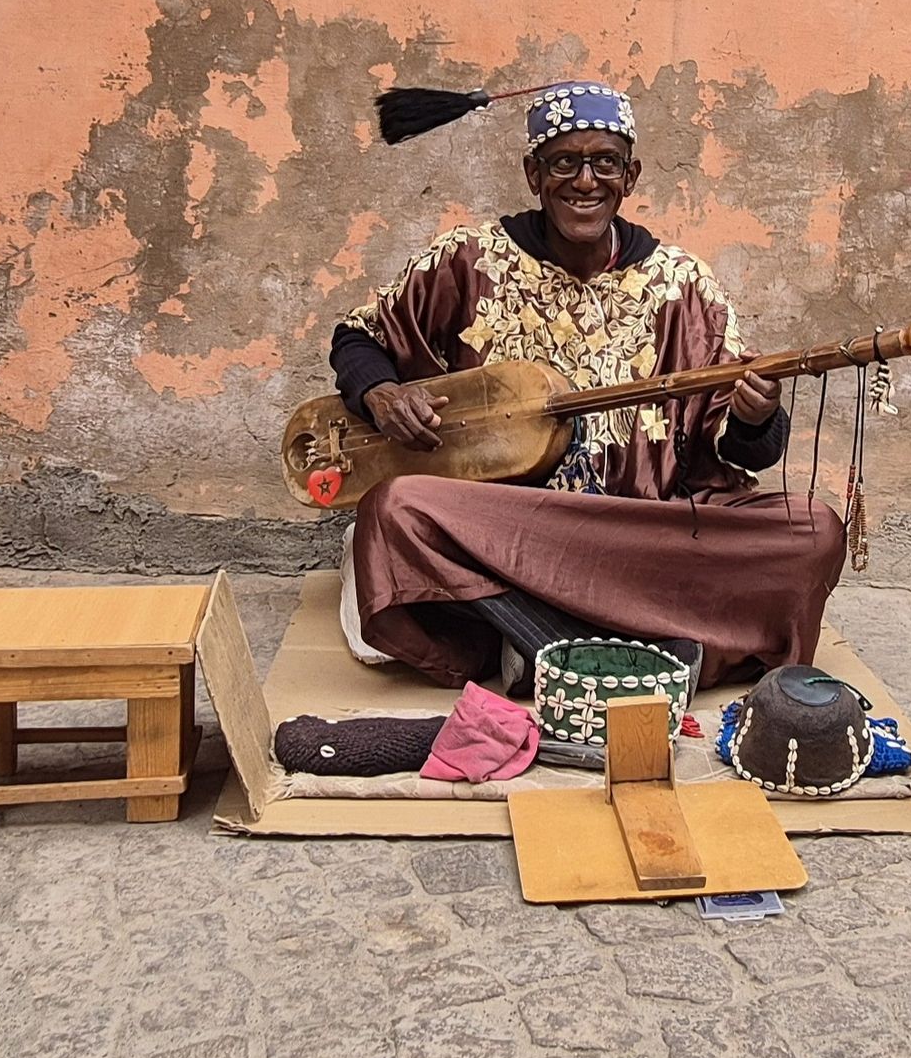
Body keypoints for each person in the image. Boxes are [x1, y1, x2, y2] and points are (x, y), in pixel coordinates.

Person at [330, 80, 846, 691]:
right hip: (505, 532)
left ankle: (530, 640)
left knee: (812, 531)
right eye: (564, 162)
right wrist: (380, 394)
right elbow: (358, 339)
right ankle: (641, 649)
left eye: (605, 163)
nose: (584, 182)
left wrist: (756, 418)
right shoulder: (469, 260)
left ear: (629, 178)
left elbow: (736, 451)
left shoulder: (682, 285)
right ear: (532, 174)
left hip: (637, 535)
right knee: (393, 511)